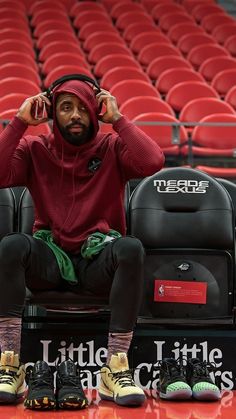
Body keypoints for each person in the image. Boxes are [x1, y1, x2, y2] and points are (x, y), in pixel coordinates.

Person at [0, 74, 165, 409]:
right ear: (50, 112)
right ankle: (9, 364)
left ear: (95, 110)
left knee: (130, 247)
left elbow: (153, 162)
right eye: (64, 107)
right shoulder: (34, 148)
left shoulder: (112, 146)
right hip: (50, 262)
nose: (74, 115)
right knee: (12, 244)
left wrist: (118, 120)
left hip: (96, 262)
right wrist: (18, 122)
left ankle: (115, 368)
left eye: (81, 108)